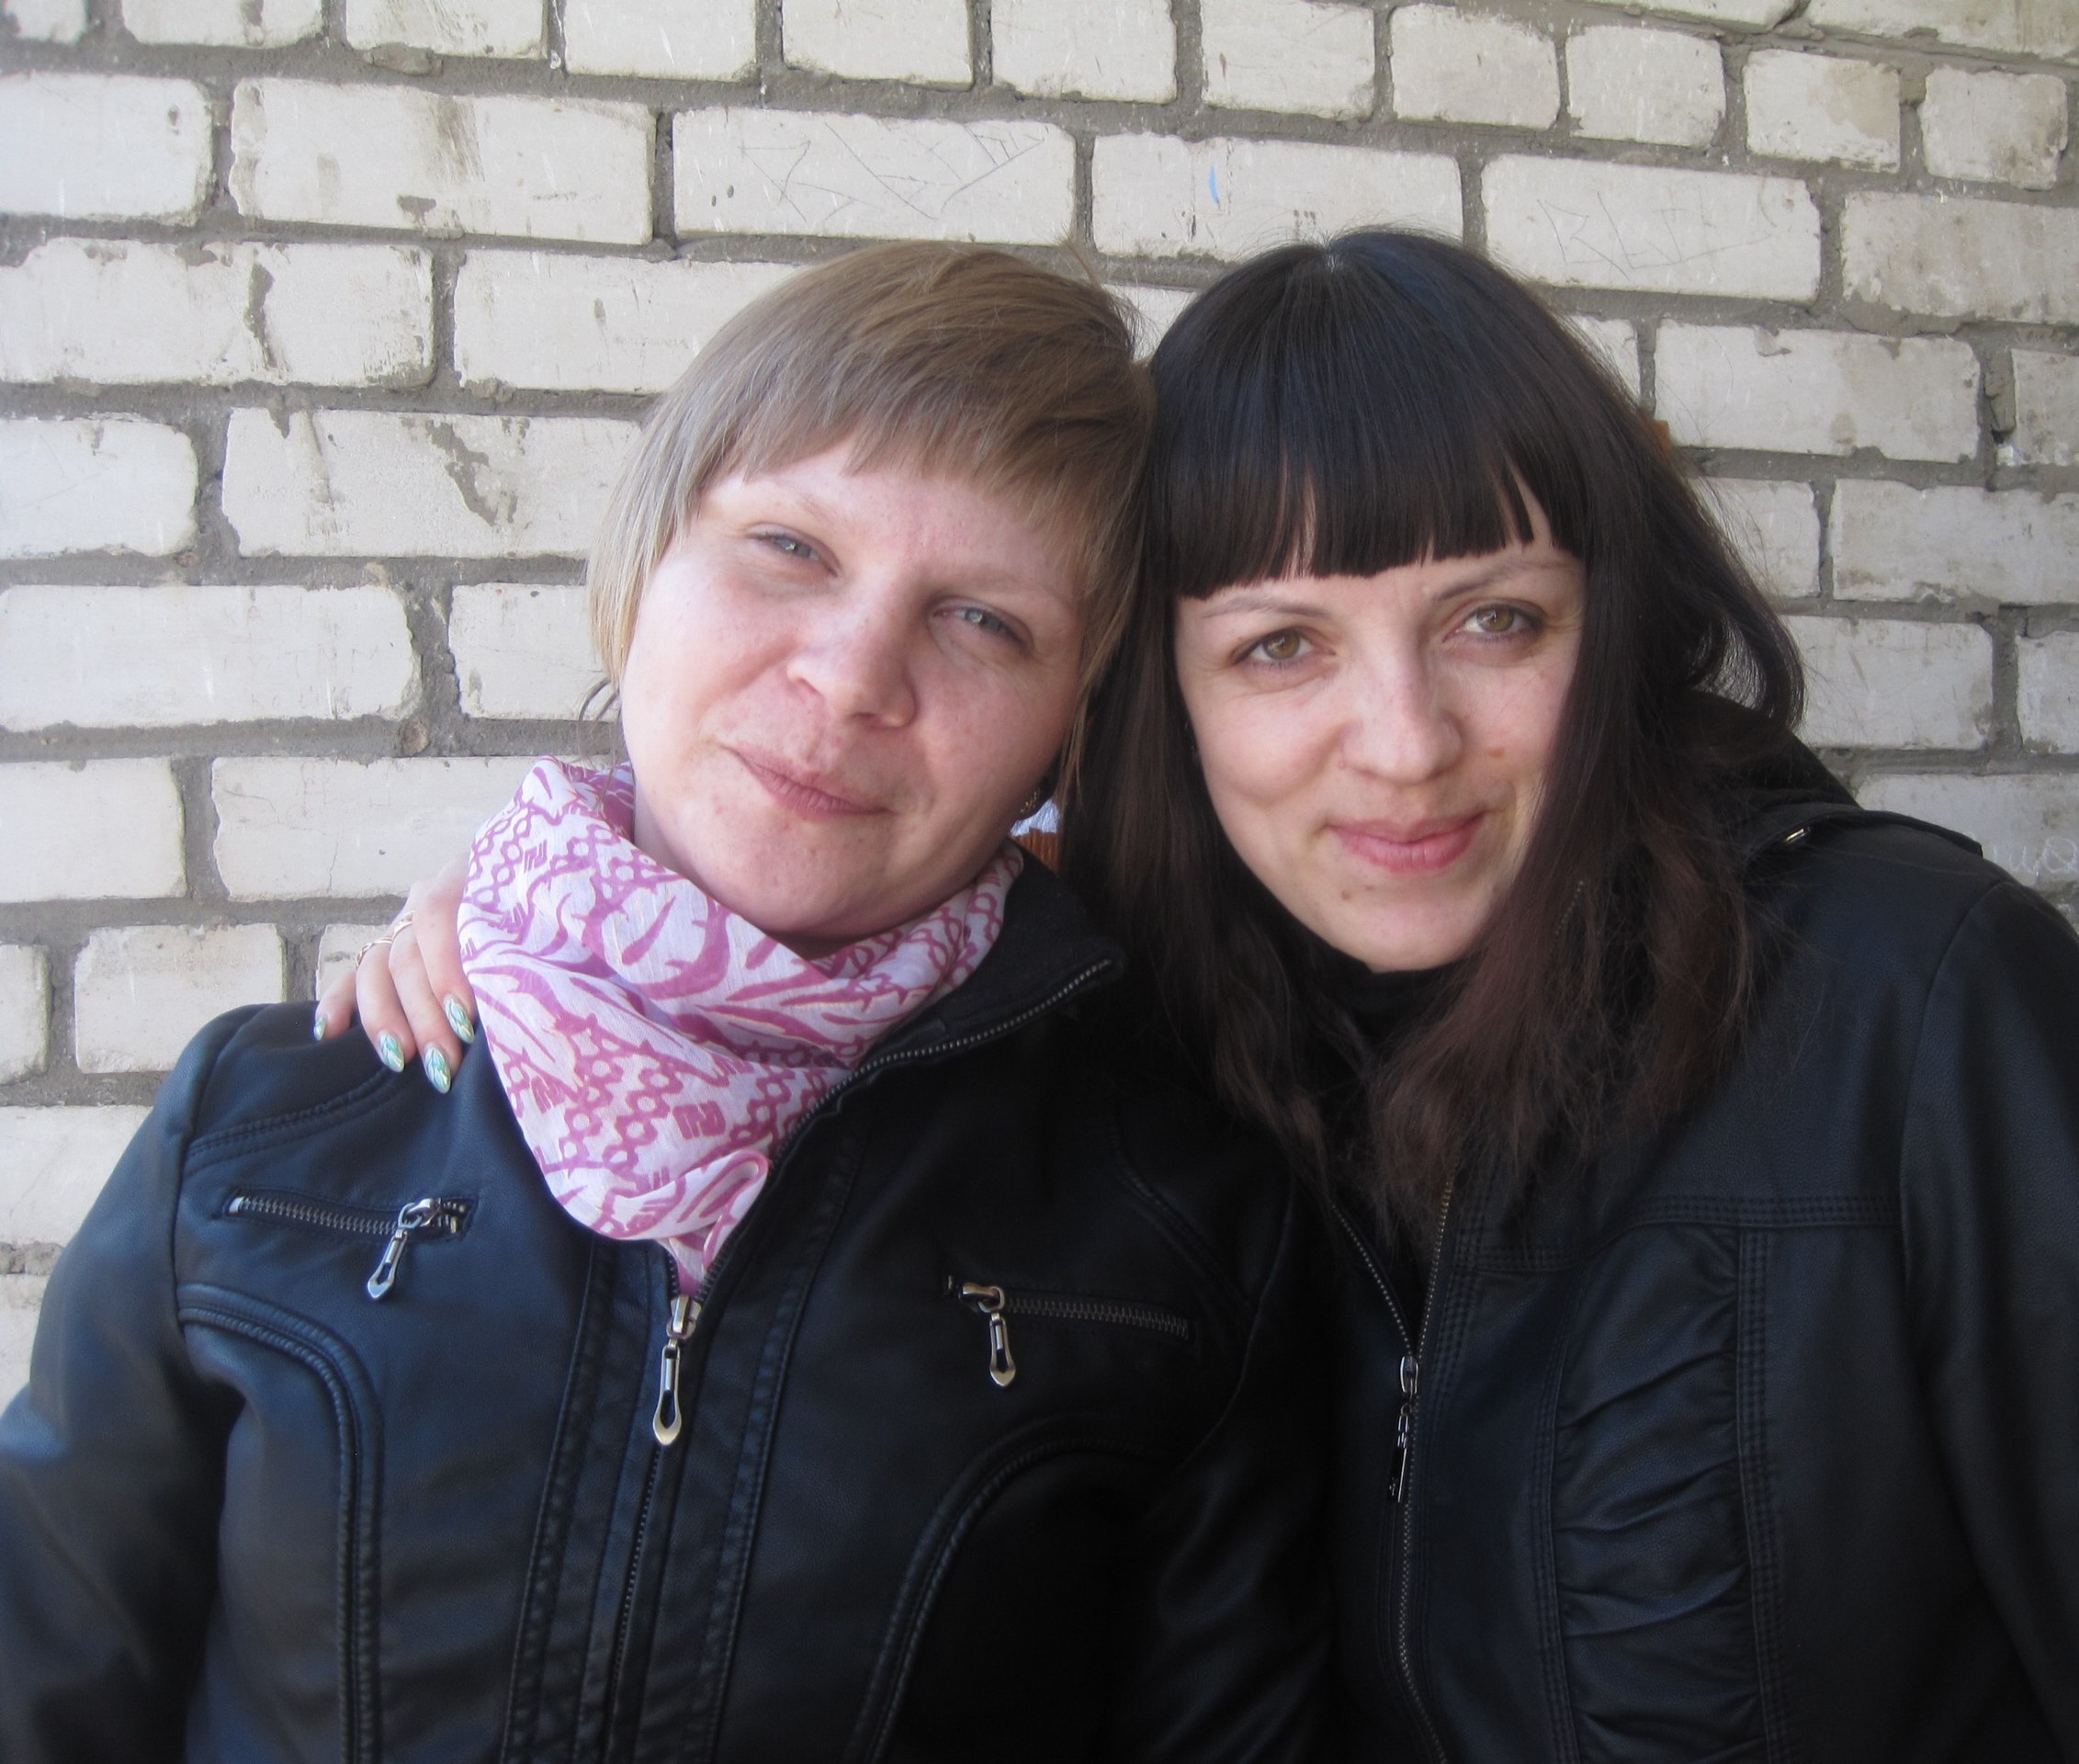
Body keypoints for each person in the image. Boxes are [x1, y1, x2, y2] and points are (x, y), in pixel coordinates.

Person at [341, 232, 2079, 1758]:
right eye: (1281, 648)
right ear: (1159, 705)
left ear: (1618, 624)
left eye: (1495, 621)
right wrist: (541, 932)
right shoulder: (1194, 1060)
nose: (1402, 745)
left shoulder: (1917, 1007)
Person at [0, 243, 1329, 1763]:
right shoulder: (263, 1125)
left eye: (983, 620)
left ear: (1064, 738)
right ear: (643, 568)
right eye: (790, 547)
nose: (851, 675)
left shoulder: (1177, 1226)